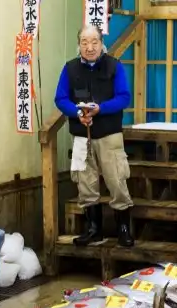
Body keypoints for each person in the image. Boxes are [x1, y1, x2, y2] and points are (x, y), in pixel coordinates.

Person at [54, 25, 135, 248]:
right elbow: (60, 98)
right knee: (85, 182)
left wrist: (101, 109)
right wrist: (77, 113)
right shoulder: (70, 68)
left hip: (109, 133)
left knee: (116, 179)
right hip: (81, 135)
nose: (89, 47)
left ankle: (123, 229)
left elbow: (124, 97)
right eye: (84, 42)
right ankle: (93, 229)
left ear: (101, 44)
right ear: (78, 45)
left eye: (94, 42)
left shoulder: (114, 66)